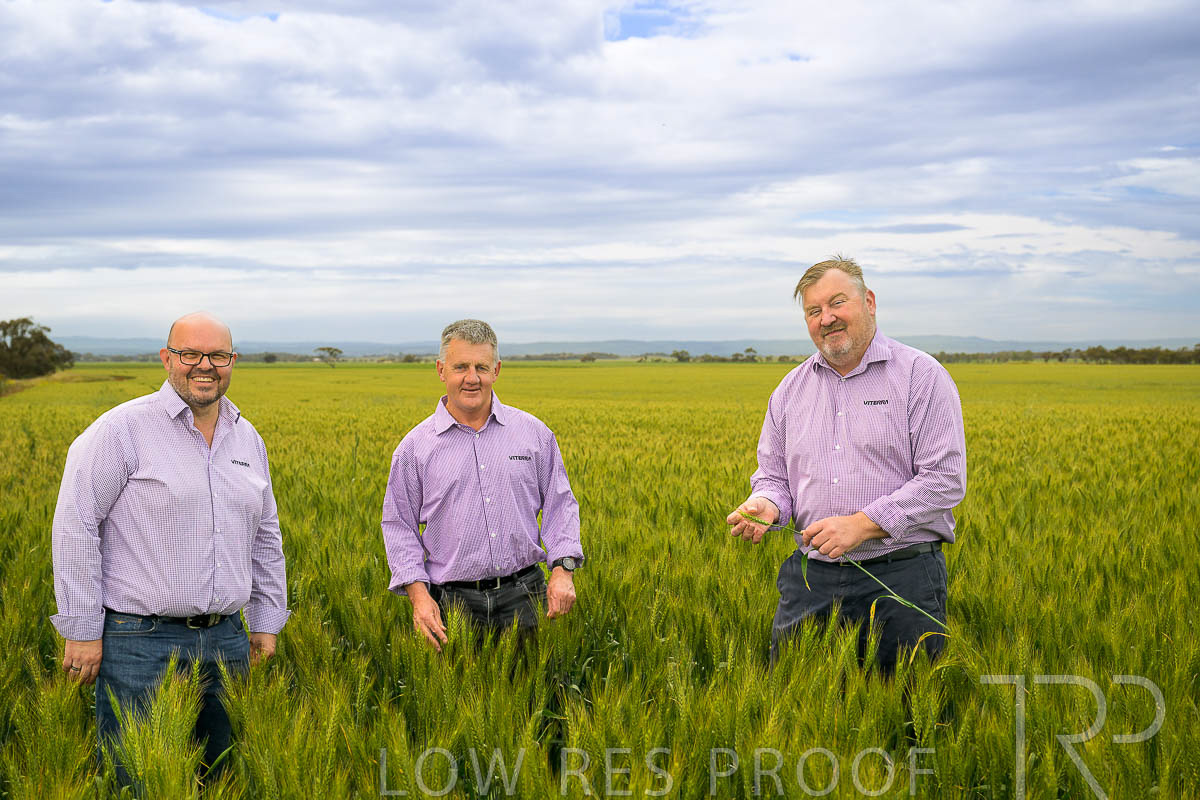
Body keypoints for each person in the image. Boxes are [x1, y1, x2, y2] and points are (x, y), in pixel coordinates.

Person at [51, 311, 289, 780]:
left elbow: (265, 536)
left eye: (218, 355)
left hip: (228, 641)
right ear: (166, 358)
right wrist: (81, 629)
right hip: (140, 643)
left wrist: (266, 620)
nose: (205, 365)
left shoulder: (247, 437)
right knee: (139, 778)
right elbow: (76, 525)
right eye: (190, 354)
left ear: (233, 361)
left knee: (220, 776)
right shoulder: (122, 429)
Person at [726, 257, 966, 674]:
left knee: (907, 705)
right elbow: (774, 477)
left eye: (837, 303)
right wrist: (768, 504)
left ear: (869, 302)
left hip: (901, 579)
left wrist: (863, 524)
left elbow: (943, 479)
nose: (827, 318)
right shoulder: (789, 390)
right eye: (814, 311)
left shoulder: (920, 375)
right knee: (797, 701)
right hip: (810, 582)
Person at [381, 319, 583, 651]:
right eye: (461, 367)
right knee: (454, 686)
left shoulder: (534, 434)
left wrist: (563, 570)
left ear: (496, 370)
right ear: (441, 370)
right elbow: (399, 525)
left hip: (526, 597)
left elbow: (560, 505)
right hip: (450, 605)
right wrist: (418, 596)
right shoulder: (414, 448)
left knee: (532, 684)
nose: (472, 378)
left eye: (482, 367)